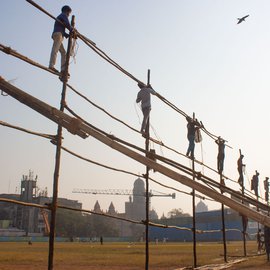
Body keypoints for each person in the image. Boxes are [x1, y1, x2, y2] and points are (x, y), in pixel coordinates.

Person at [49, 5, 73, 74]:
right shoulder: (63, 15)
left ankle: (63, 69)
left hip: (59, 34)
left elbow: (63, 29)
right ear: (66, 11)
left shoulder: (61, 17)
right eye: (68, 13)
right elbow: (68, 24)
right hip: (58, 34)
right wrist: (72, 30)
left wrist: (68, 35)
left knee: (63, 52)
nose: (68, 15)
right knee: (55, 49)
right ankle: (51, 65)